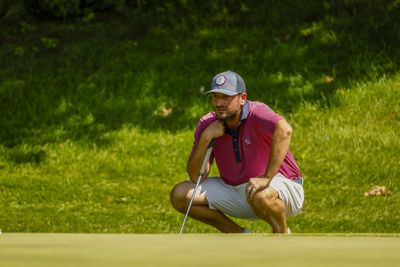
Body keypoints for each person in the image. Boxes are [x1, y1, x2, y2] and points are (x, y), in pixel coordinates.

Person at [170, 70, 304, 234]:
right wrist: (206, 138)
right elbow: (195, 176)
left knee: (260, 195)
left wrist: (266, 178)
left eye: (225, 97)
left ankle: (282, 234)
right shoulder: (208, 125)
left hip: (280, 187)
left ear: (242, 98)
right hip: (236, 190)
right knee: (180, 195)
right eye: (215, 96)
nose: (218, 103)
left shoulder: (257, 112)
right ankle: (239, 235)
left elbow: (285, 130)